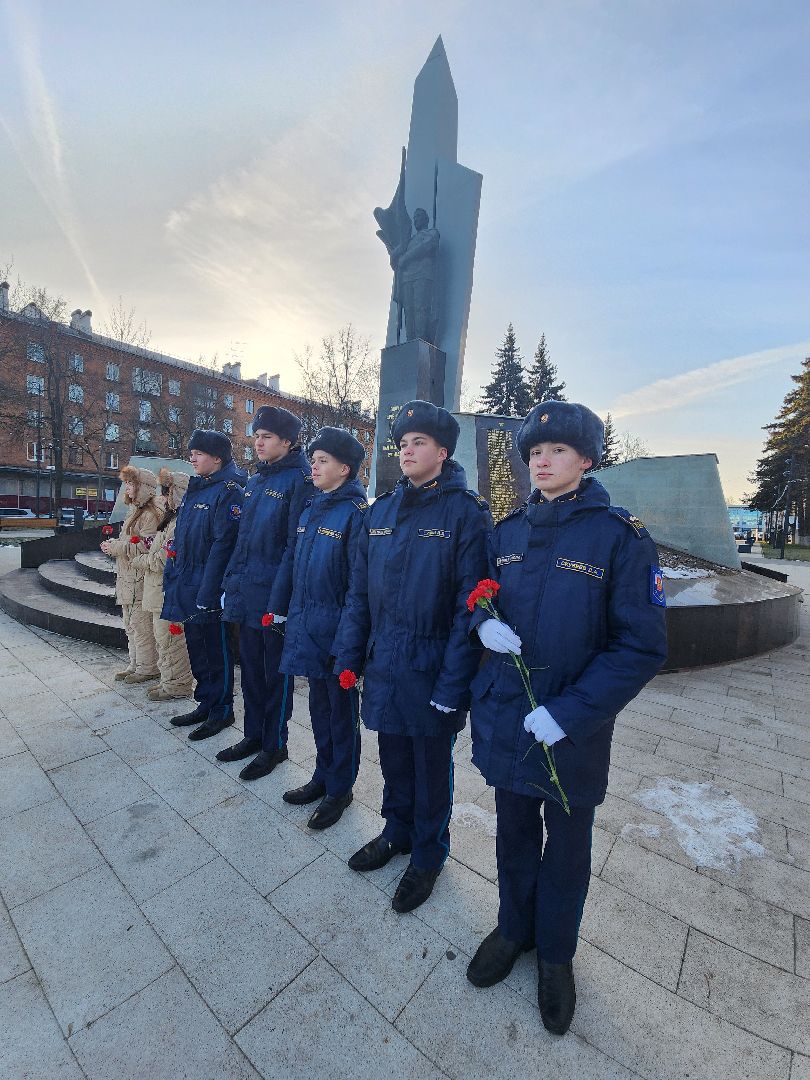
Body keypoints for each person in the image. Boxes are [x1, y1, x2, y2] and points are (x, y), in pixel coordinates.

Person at [465, 400, 668, 1036]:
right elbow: (477, 595)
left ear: (585, 459)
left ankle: (556, 956)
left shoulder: (619, 537)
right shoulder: (510, 531)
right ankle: (512, 930)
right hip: (509, 714)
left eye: (555, 452)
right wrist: (483, 624)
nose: (541, 464)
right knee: (514, 832)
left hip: (570, 730)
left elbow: (641, 644)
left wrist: (572, 712)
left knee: (569, 847)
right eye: (533, 455)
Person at [332, 400, 491, 913]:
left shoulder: (465, 513)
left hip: (431, 665)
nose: (407, 450)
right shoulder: (378, 514)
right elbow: (359, 595)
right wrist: (349, 656)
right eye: (402, 443)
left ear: (443, 452)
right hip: (385, 661)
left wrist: (452, 687)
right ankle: (396, 832)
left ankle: (428, 853)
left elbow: (473, 606)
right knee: (394, 756)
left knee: (429, 765)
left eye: (418, 442)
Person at [269, 427, 368, 829]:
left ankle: (340, 788)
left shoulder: (355, 514)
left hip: (336, 634)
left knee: (341, 716)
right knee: (318, 709)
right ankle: (322, 776)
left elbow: (357, 587)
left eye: (323, 460)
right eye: (314, 459)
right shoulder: (312, 508)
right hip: (308, 625)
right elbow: (297, 567)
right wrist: (281, 610)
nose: (314, 465)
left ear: (344, 469)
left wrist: (348, 646)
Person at [217, 406, 312, 781]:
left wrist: (280, 602)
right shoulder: (255, 482)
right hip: (247, 592)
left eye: (267, 437)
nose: (258, 442)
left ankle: (275, 744)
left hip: (273, 598)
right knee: (252, 671)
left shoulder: (300, 481)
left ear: (287, 442)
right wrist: (231, 585)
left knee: (275, 676)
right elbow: (242, 541)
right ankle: (252, 735)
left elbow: (292, 547)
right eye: (256, 436)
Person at [162, 429, 246, 741]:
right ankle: (206, 702)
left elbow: (225, 545)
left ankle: (222, 709)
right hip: (188, 581)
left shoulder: (229, 490)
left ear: (217, 457)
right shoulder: (198, 488)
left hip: (209, 587)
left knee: (216, 649)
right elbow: (181, 539)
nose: (192, 457)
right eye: (191, 452)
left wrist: (210, 590)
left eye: (198, 453)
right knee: (197, 646)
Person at [131, 468, 194, 702]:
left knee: (171, 641)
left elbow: (163, 559)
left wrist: (139, 560)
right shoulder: (170, 520)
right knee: (163, 640)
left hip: (167, 593)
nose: (163, 497)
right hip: (158, 591)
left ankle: (178, 684)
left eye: (167, 492)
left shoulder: (180, 523)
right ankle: (169, 681)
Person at [101, 465, 161, 684]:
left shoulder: (151, 513)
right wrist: (116, 544)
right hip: (128, 576)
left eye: (131, 483)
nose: (127, 487)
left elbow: (149, 546)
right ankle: (135, 664)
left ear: (143, 486)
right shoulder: (135, 510)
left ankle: (148, 668)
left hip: (140, 578)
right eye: (126, 483)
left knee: (141, 625)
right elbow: (132, 541)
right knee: (130, 624)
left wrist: (118, 547)